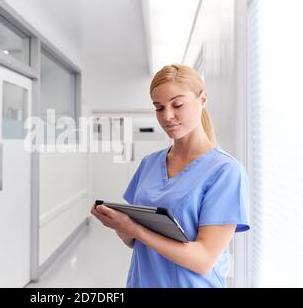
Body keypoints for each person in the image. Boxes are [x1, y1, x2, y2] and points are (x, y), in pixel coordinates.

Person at [91, 64, 250, 288]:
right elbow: (134, 242)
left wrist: (135, 229)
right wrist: (121, 227)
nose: (167, 116)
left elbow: (204, 259)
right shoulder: (149, 163)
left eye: (178, 105)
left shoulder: (225, 171)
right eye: (159, 107)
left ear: (202, 99)